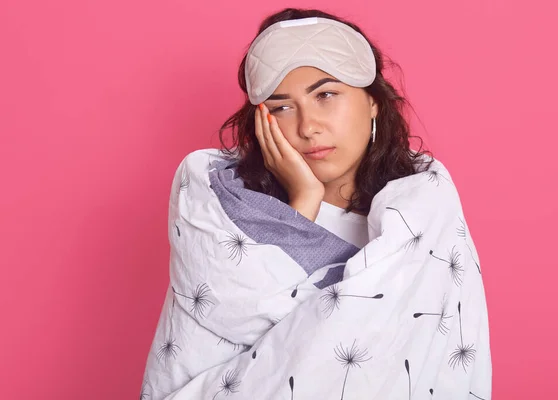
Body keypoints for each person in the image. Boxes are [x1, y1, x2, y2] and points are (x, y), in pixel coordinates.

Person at [140, 8, 492, 400]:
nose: (308, 127)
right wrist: (302, 205)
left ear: (373, 101)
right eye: (281, 107)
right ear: (260, 121)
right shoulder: (226, 211)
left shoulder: (424, 212)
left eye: (326, 95)